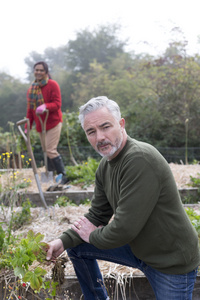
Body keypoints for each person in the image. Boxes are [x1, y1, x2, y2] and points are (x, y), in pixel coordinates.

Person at [46, 96, 200, 299]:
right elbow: (98, 214)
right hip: (140, 249)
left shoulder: (139, 159)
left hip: (170, 260)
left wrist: (92, 235)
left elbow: (123, 229)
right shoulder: (105, 165)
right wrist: (62, 241)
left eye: (105, 127)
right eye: (91, 132)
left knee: (86, 239)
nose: (99, 137)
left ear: (121, 124)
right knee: (77, 246)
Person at [25, 61, 69, 184]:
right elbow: (30, 110)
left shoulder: (52, 85)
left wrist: (45, 106)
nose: (38, 72)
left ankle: (63, 176)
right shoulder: (32, 89)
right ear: (34, 71)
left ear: (46, 72)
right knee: (46, 152)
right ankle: (49, 178)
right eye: (36, 70)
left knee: (50, 150)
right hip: (40, 125)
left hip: (53, 122)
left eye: (41, 70)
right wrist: (27, 126)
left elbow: (57, 104)